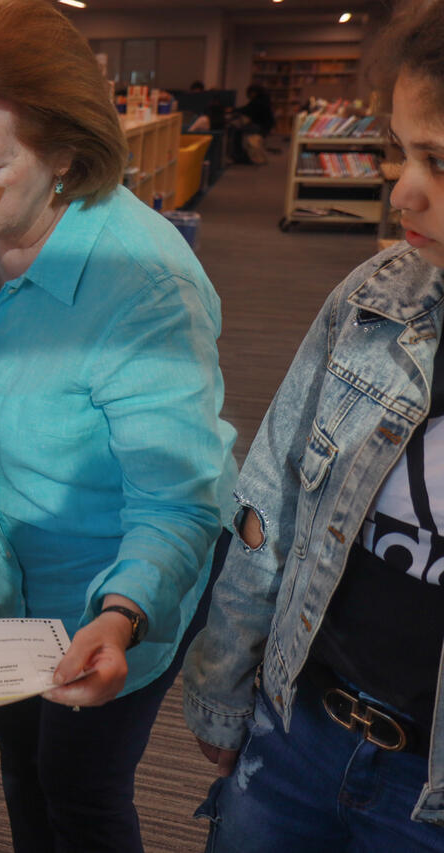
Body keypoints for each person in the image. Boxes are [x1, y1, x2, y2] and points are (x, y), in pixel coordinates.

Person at [0, 1, 238, 849]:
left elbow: (177, 499)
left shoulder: (144, 282)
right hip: (1, 569)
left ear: (66, 153)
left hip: (113, 583)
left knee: (80, 792)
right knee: (22, 766)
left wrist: (120, 615)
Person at [183, 3, 444, 848]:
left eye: (440, 162)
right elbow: (271, 500)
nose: (402, 190)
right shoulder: (376, 297)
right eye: (401, 152)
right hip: (302, 723)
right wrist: (227, 684)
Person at [229, 83, 274, 164]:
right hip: (264, 125)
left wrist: (233, 110)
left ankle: (238, 154)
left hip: (260, 126)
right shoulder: (263, 100)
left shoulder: (258, 101)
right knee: (239, 128)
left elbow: (247, 109)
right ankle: (239, 153)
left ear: (254, 92)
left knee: (236, 130)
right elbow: (248, 109)